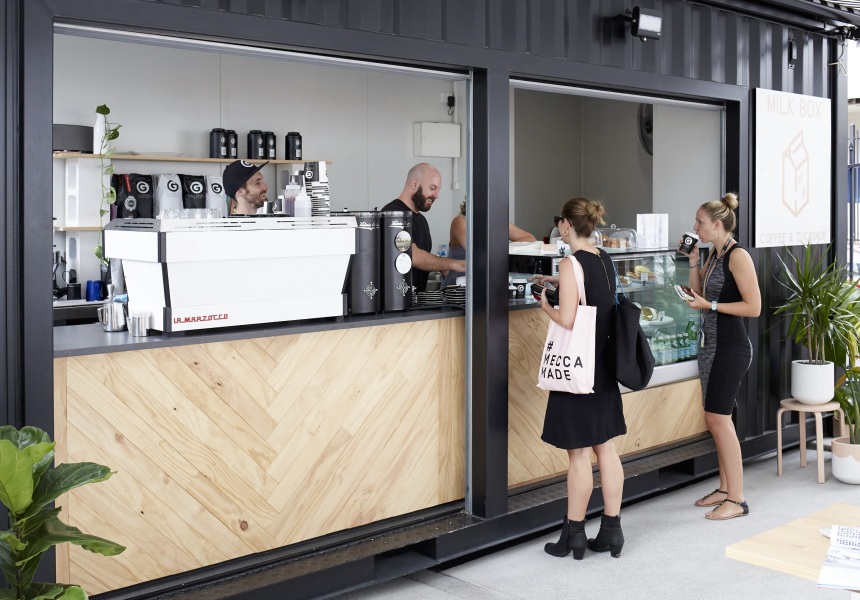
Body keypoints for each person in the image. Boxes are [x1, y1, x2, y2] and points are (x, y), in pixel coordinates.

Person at [529, 198, 627, 560]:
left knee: (580, 455)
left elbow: (568, 319)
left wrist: (545, 304)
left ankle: (574, 535)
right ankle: (612, 530)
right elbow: (596, 292)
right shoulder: (603, 258)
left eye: (561, 221)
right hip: (603, 366)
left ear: (567, 225)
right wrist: (558, 280)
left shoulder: (570, 263)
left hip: (577, 370)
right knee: (606, 447)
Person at [678, 193, 760, 520]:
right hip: (711, 345)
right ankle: (725, 489)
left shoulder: (738, 256)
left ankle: (737, 500)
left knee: (718, 419)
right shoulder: (714, 253)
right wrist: (693, 262)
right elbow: (699, 295)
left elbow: (753, 307)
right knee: (717, 419)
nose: (695, 227)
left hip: (731, 346)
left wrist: (709, 305)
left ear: (717, 224)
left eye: (700, 222)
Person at [381, 163, 466, 293]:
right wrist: (456, 264)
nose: (436, 195)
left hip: (414, 300)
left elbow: (422, 258)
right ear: (415, 183)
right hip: (395, 301)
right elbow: (412, 255)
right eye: (432, 188)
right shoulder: (393, 214)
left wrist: (440, 265)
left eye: (438, 190)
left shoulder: (421, 220)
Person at [439, 201, 536, 288]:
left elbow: (530, 238)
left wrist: (507, 247)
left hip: (485, 289)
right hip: (456, 291)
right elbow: (475, 250)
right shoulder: (460, 221)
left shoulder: (498, 224)